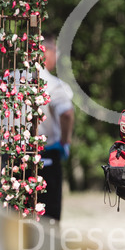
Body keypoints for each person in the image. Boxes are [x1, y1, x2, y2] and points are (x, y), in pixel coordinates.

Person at [38, 34, 74, 221]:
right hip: (47, 160)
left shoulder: (9, 79)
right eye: (56, 51)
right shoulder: (52, 84)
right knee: (48, 220)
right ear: (46, 51)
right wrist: (64, 141)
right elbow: (67, 113)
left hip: (12, 161)